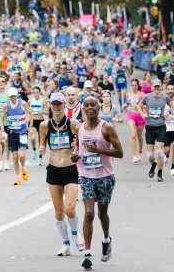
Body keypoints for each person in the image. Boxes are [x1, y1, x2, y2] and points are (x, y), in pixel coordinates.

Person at [76, 96, 123, 270]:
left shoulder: (107, 128)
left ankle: (106, 239)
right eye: (87, 105)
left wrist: (99, 150)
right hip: (86, 175)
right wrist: (76, 156)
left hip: (105, 176)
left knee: (102, 214)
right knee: (89, 213)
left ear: (99, 107)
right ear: (83, 108)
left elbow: (120, 153)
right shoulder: (80, 128)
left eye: (93, 105)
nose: (90, 108)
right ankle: (87, 253)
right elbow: (78, 148)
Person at [38, 92, 82, 256]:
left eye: (59, 104)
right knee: (59, 212)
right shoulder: (44, 125)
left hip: (71, 169)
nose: (56, 107)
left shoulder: (73, 123)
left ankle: (76, 234)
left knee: (70, 209)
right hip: (54, 170)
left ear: (64, 105)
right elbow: (42, 142)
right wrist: (42, 147)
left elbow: (84, 142)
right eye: (54, 104)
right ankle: (65, 244)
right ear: (50, 105)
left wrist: (76, 145)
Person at [140, 80, 169, 182]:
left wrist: (167, 112)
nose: (157, 89)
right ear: (152, 87)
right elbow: (139, 106)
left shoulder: (165, 97)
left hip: (161, 126)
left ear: (161, 87)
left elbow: (171, 106)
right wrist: (143, 113)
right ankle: (153, 164)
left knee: (160, 152)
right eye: (155, 87)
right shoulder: (147, 97)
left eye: (158, 87)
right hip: (150, 127)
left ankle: (160, 173)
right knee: (150, 155)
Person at [3, 87, 32, 185]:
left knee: (22, 154)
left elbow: (30, 113)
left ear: (16, 95)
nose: (12, 97)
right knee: (15, 157)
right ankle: (17, 177)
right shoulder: (6, 106)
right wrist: (3, 131)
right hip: (12, 133)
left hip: (23, 132)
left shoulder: (22, 103)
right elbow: (2, 118)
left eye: (14, 95)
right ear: (9, 96)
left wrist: (30, 125)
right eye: (11, 96)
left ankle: (23, 167)